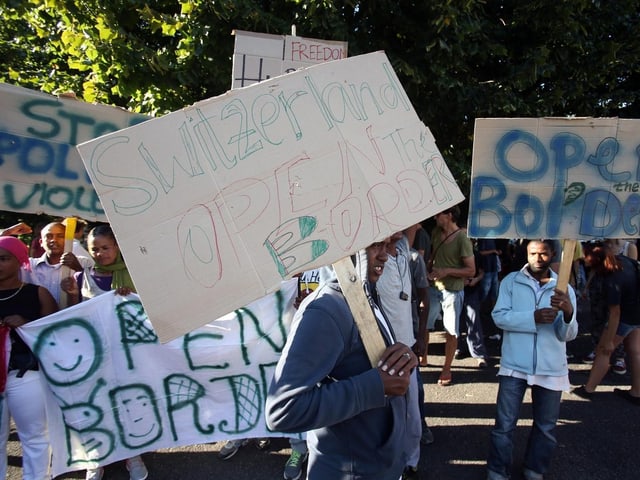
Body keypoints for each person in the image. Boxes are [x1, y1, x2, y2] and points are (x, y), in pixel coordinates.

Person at [266, 239, 418, 480]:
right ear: (344, 246)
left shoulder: (363, 292)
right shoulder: (326, 310)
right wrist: (374, 386)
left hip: (379, 465)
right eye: (375, 244)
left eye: (387, 245)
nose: (385, 256)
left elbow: (370, 361)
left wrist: (403, 355)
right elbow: (282, 410)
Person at [60, 224, 149, 480]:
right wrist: (73, 294)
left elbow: (147, 313)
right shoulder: (80, 277)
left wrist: (132, 296)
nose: (100, 253)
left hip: (126, 355)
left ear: (117, 247)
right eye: (94, 249)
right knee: (96, 407)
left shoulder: (133, 275)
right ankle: (97, 458)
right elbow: (72, 318)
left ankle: (133, 456)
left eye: (105, 248)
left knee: (127, 404)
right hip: (92, 357)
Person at [487, 239, 577, 480]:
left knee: (546, 427)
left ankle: (535, 468)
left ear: (553, 254)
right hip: (514, 365)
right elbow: (499, 317)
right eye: (533, 253)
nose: (538, 258)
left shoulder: (564, 287)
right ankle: (497, 470)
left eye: (544, 253)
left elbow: (567, 334)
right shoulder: (511, 282)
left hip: (550, 367)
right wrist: (532, 318)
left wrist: (568, 313)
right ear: (525, 253)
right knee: (504, 425)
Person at [0, 235, 58, 480]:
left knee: (35, 439)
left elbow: (56, 335)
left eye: (3, 258)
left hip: (25, 376)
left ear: (20, 261)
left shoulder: (37, 293)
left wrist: (26, 324)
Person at [376, 232, 423, 478]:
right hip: (382, 353)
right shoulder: (373, 259)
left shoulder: (404, 253)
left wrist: (419, 337)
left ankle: (410, 460)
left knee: (412, 415)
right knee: (386, 417)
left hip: (408, 350)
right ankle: (390, 465)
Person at [572, 241, 640, 405]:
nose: (583, 259)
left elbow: (615, 313)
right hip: (637, 311)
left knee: (604, 351)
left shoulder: (611, 280)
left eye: (585, 256)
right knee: (635, 351)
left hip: (626, 315)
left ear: (595, 258)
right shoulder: (625, 262)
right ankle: (637, 392)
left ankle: (588, 389)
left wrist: (610, 340)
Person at [427, 205, 475, 386]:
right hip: (434, 287)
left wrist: (446, 271)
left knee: (450, 331)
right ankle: (422, 358)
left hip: (452, 291)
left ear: (449, 215)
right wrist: (428, 269)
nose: (435, 218)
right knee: (425, 325)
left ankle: (446, 369)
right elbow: (433, 254)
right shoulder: (435, 232)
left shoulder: (462, 239)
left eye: (438, 214)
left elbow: (471, 270)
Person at [457, 245, 489, 367]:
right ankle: (458, 347)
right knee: (456, 322)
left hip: (471, 290)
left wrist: (475, 280)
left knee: (474, 320)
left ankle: (479, 353)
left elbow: (481, 272)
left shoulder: (476, 254)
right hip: (455, 289)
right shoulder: (454, 252)